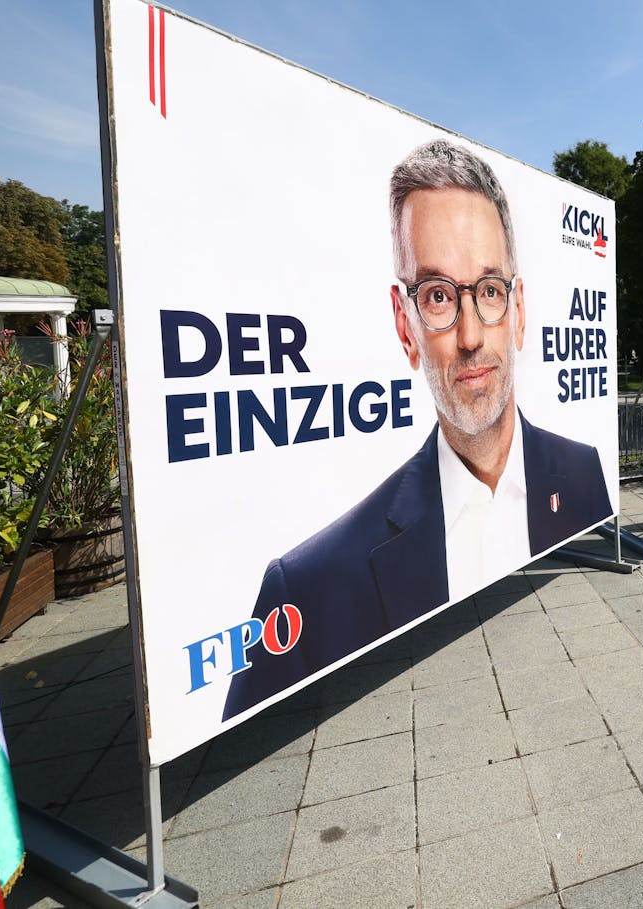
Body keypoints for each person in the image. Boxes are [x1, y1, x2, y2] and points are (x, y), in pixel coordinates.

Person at [223, 139, 612, 718]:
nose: (472, 335)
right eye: (436, 296)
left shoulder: (583, 473)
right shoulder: (308, 585)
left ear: (520, 310)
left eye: (488, 291)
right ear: (405, 326)